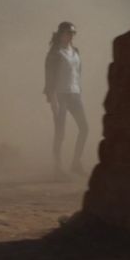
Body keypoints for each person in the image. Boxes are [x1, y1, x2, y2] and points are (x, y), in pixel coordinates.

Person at [43, 21, 88, 178]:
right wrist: (52, 99)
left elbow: (77, 72)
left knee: (84, 128)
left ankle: (76, 163)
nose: (70, 36)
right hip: (61, 94)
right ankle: (57, 168)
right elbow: (49, 79)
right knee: (60, 132)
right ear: (61, 34)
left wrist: (79, 90)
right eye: (67, 33)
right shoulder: (55, 53)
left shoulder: (75, 51)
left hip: (74, 93)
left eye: (72, 33)